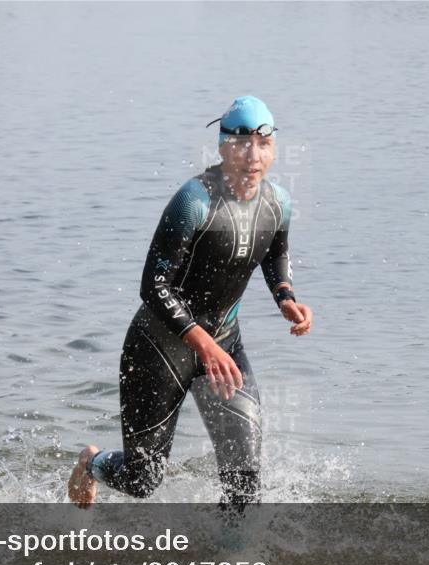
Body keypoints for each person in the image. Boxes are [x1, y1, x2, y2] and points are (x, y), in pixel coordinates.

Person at [68, 95, 313, 509]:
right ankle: (92, 462)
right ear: (221, 146)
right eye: (241, 142)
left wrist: (286, 297)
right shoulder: (193, 201)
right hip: (160, 347)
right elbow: (154, 284)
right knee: (143, 480)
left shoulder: (279, 203)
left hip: (225, 345)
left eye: (264, 143)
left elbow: (274, 254)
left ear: (274, 148)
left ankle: (231, 562)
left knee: (245, 479)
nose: (253, 155)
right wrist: (203, 343)